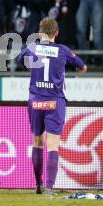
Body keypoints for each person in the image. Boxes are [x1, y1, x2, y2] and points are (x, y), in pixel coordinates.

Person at [17, 18, 87, 196]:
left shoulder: (32, 48)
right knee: (53, 145)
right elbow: (83, 67)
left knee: (37, 142)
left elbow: (20, 61)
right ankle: (49, 187)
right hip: (55, 101)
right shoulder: (63, 50)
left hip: (35, 100)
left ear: (40, 33)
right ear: (56, 33)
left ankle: (38, 185)